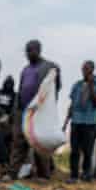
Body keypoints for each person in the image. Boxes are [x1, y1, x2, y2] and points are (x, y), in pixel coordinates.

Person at [8, 40, 61, 179]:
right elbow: (20, 89)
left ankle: (44, 175)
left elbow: (55, 87)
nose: (28, 53)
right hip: (23, 110)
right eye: (27, 51)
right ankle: (13, 173)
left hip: (39, 111)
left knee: (39, 141)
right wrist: (16, 109)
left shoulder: (50, 67)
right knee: (19, 141)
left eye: (31, 50)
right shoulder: (25, 69)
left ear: (38, 50)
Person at [62, 61, 96, 182]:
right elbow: (72, 104)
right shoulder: (77, 85)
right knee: (74, 150)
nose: (84, 71)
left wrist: (91, 87)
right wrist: (66, 122)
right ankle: (74, 175)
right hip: (76, 120)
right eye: (83, 69)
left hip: (89, 122)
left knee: (87, 150)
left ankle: (86, 174)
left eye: (87, 69)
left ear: (92, 70)